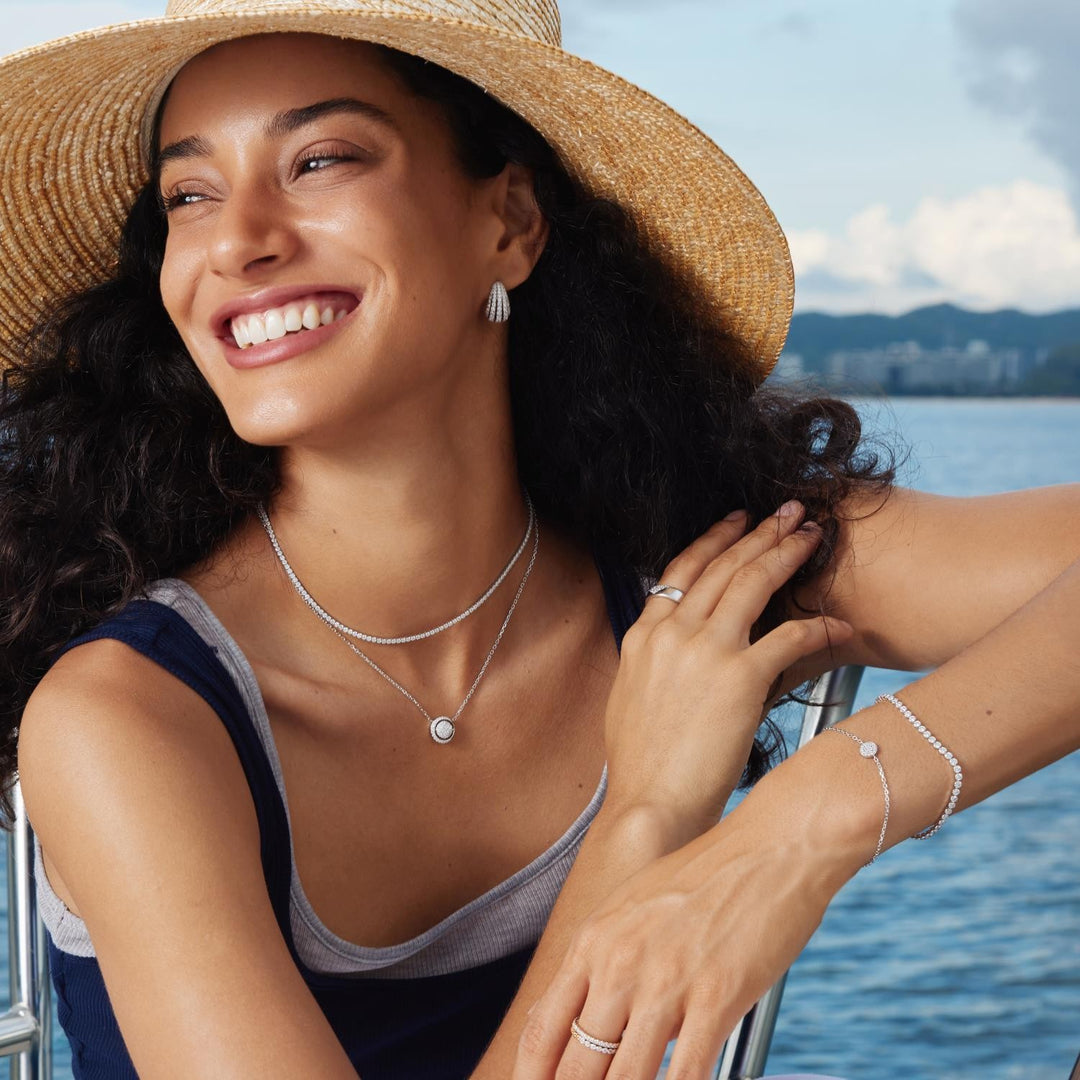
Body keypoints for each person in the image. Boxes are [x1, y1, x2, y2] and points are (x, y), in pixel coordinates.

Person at [0, 2, 1076, 1079]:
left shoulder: (695, 574)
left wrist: (816, 814)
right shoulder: (130, 718)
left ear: (510, 223)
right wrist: (648, 815)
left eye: (320, 160)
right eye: (189, 196)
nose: (238, 241)